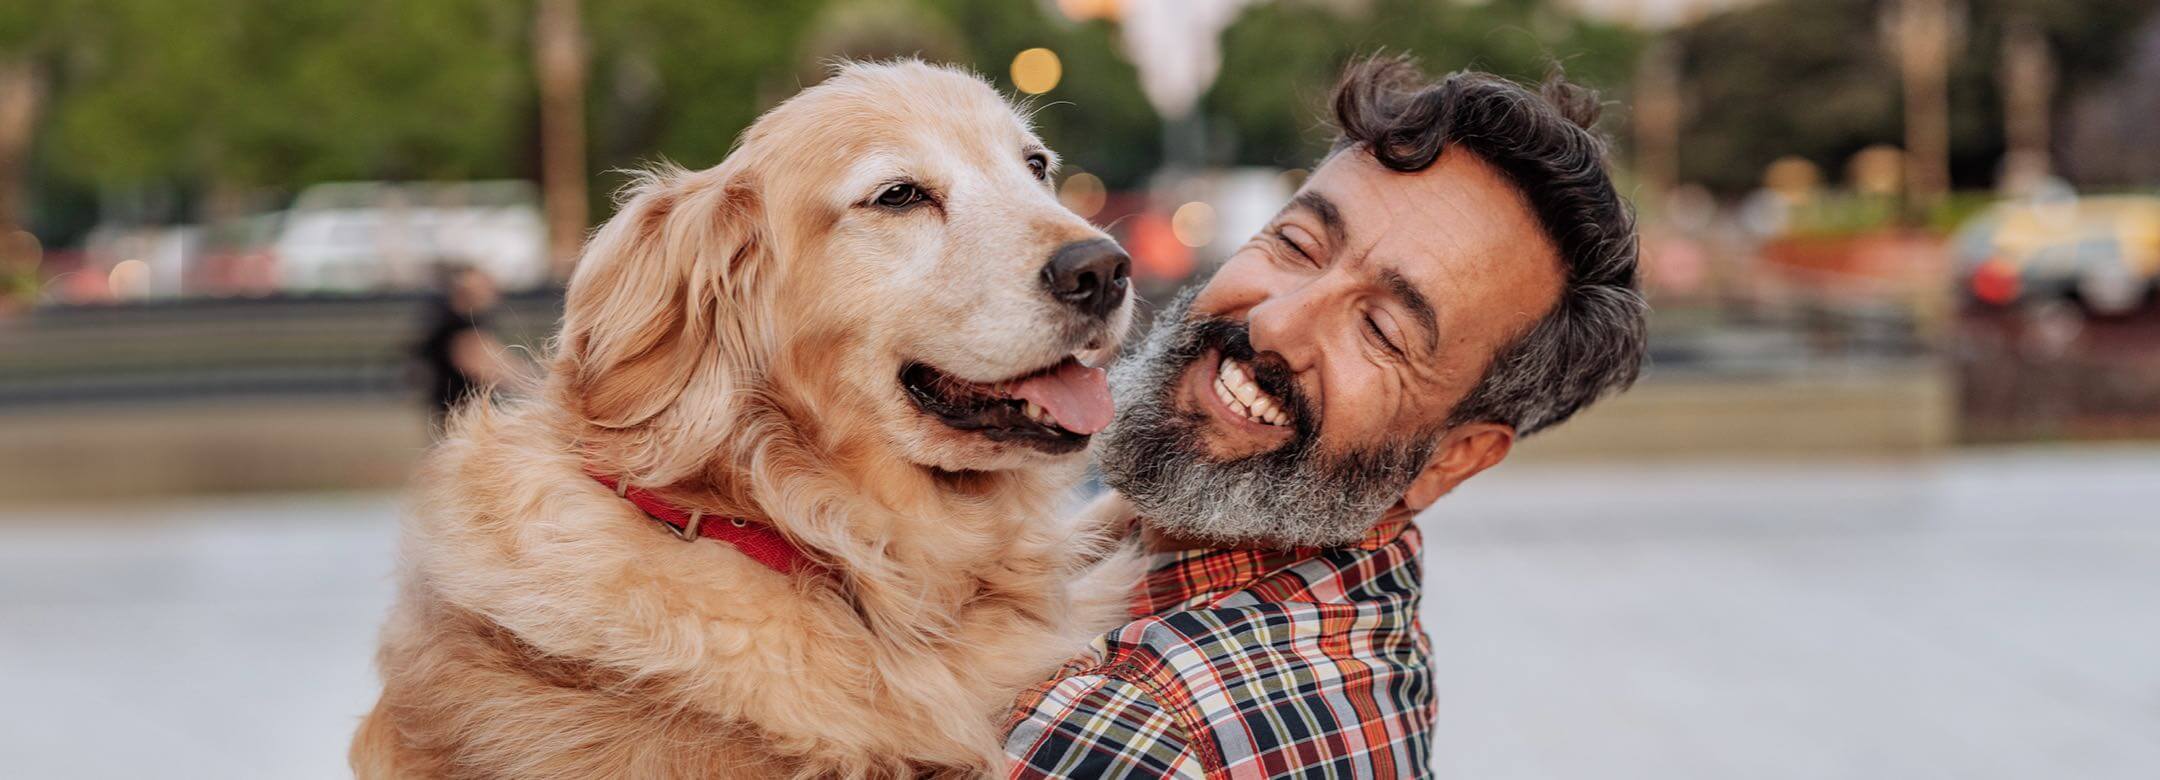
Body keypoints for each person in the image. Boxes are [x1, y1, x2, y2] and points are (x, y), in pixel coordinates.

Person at [1003, 56, 1648, 778]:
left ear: (1453, 457)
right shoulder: (1360, 649)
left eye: (1381, 331)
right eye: (1297, 245)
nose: (1278, 322)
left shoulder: (1147, 726)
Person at [414, 263, 523, 430]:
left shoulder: (469, 322)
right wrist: (533, 382)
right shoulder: (458, 325)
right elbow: (484, 363)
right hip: (463, 415)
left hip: (461, 413)